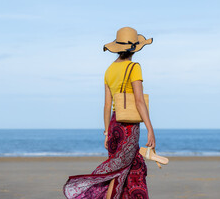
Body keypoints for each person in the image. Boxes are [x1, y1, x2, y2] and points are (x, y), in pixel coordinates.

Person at [63, 27, 155, 199]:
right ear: (135, 48)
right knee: (120, 171)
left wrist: (106, 133)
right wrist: (150, 128)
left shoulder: (109, 70)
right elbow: (139, 100)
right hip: (128, 127)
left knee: (133, 165)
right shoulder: (134, 67)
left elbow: (106, 105)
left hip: (113, 125)